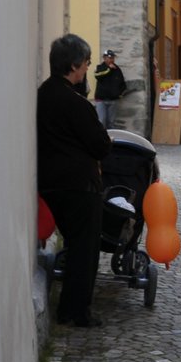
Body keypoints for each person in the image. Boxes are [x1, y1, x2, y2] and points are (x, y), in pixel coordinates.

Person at [37, 34, 112, 327]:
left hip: (48, 182)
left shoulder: (42, 95)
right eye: (85, 65)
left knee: (73, 245)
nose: (86, 71)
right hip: (79, 187)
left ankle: (71, 306)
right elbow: (100, 144)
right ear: (73, 65)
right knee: (84, 249)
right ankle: (75, 310)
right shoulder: (75, 103)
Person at [91, 49, 126, 129]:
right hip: (101, 100)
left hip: (113, 100)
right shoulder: (100, 67)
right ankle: (101, 139)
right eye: (110, 57)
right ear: (104, 58)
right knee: (101, 121)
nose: (111, 60)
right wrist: (109, 69)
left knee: (111, 123)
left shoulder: (117, 69)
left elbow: (123, 84)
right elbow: (97, 76)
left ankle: (111, 140)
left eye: (113, 58)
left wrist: (120, 94)